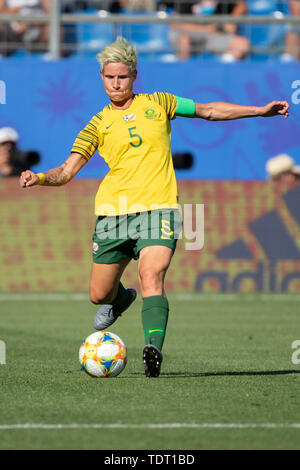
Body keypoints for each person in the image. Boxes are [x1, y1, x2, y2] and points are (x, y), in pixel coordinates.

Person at [19, 37, 289, 377]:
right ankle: (120, 300)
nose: (116, 83)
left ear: (134, 76)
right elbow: (67, 171)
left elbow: (207, 110)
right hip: (112, 215)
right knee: (98, 294)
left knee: (152, 274)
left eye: (123, 77)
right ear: (101, 78)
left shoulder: (159, 103)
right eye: (110, 77)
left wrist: (259, 111)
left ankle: (153, 350)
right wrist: (40, 177)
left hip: (159, 209)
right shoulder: (96, 125)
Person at [169, 0, 250, 61]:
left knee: (241, 44)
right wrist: (206, 29)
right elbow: (175, 23)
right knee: (184, 40)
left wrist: (232, 20)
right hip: (190, 33)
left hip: (216, 35)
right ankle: (183, 73)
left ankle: (221, 73)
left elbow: (241, 5)